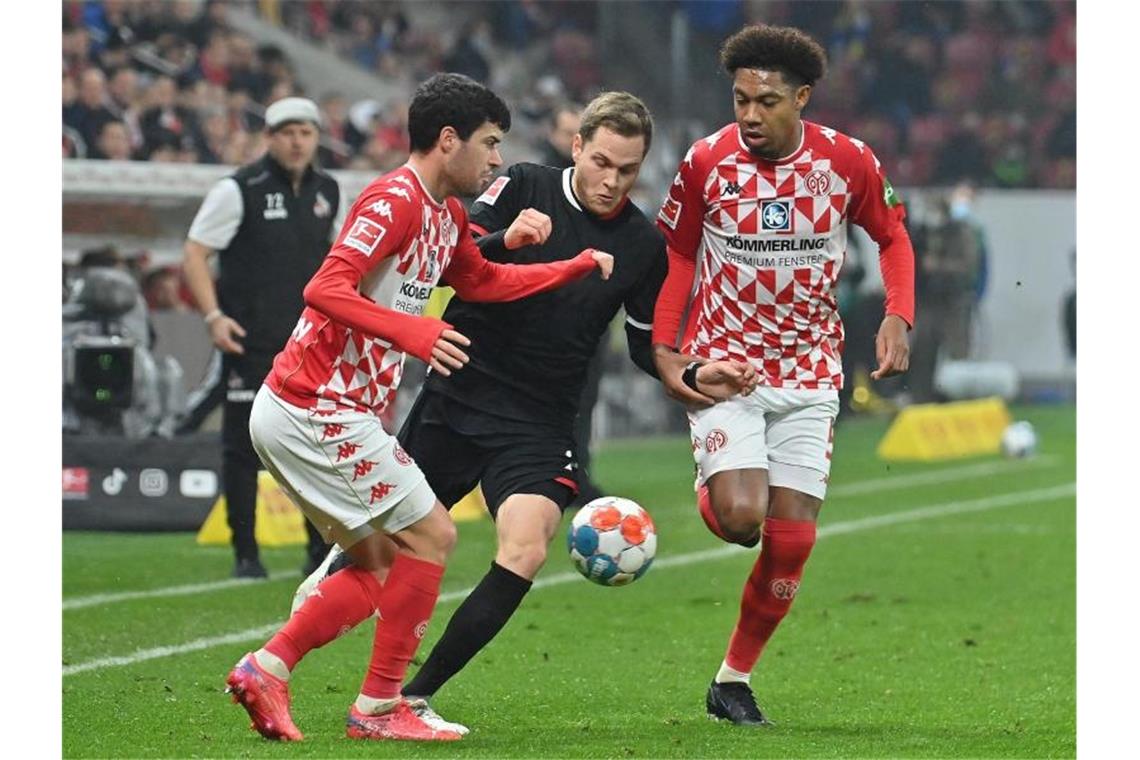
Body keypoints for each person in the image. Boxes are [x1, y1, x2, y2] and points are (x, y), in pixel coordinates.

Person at [292, 91, 755, 734]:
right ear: (577, 147)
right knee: (390, 548)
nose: (611, 181)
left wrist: (701, 374)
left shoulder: (644, 245)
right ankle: (311, 612)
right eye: (602, 162)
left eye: (628, 170)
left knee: (527, 547)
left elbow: (651, 348)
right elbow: (456, 253)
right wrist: (507, 237)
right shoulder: (520, 182)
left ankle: (410, 696)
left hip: (539, 420)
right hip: (459, 392)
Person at [224, 72, 613, 743]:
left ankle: (269, 668)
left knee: (379, 562)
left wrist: (567, 266)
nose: (496, 159)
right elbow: (325, 287)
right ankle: (378, 708)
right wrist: (416, 331)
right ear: (448, 138)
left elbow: (483, 279)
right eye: (489, 144)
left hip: (324, 410)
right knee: (432, 534)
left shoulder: (447, 215)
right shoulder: (394, 198)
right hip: (314, 404)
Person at [651, 24, 915, 726]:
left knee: (793, 536)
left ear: (801, 98)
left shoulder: (847, 162)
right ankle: (716, 480)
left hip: (808, 366)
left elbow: (891, 235)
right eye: (740, 99)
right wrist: (671, 354)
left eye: (765, 101)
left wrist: (898, 314)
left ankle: (731, 681)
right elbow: (678, 257)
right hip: (725, 364)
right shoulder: (707, 161)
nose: (749, 115)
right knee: (743, 519)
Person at [182, 97, 345, 578]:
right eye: (288, 132)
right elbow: (194, 253)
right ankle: (245, 553)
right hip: (248, 341)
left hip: (308, 343)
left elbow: (338, 258)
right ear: (269, 137)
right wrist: (213, 316)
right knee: (240, 447)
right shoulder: (238, 189)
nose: (297, 141)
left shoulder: (328, 191)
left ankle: (318, 551)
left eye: (306, 132)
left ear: (317, 138)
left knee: (314, 445)